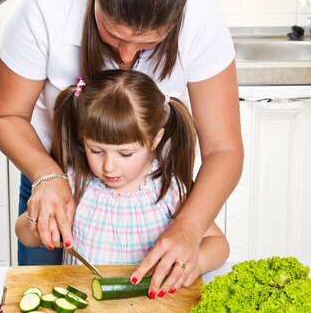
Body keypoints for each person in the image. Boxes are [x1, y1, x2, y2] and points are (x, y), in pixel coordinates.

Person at [0, 0, 243, 296]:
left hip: (151, 182)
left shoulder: (200, 12)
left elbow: (224, 149)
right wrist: (48, 175)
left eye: (146, 45)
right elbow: (7, 116)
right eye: (113, 33)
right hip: (55, 172)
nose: (125, 55)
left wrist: (188, 229)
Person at [16, 70, 230, 291]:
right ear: (82, 139)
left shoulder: (168, 188)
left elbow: (219, 245)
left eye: (125, 154)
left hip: (150, 309)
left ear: (155, 140)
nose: (109, 166)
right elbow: (25, 235)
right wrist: (39, 224)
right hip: (82, 310)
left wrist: (195, 264)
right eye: (96, 150)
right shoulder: (74, 183)